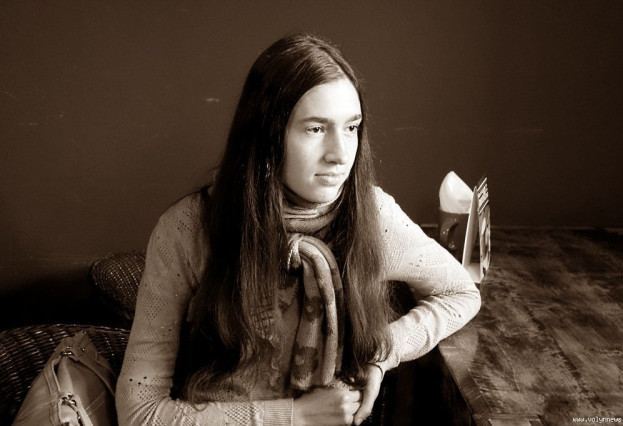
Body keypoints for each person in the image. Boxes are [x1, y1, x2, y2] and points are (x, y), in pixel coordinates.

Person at [115, 33, 481, 426]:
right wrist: (295, 416)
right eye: (316, 129)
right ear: (268, 135)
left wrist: (380, 355)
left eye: (352, 127)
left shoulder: (372, 217)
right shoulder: (188, 229)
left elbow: (460, 293)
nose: (340, 154)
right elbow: (140, 413)